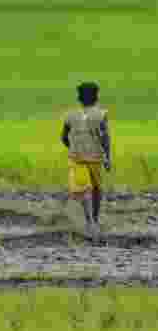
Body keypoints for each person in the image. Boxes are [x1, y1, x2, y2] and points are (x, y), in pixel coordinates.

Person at [61, 82, 111, 236]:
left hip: (77, 158)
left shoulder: (70, 116)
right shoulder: (101, 115)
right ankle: (94, 220)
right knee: (96, 189)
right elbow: (105, 139)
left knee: (83, 189)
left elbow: (63, 137)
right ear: (96, 97)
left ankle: (88, 220)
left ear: (79, 98)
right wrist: (108, 157)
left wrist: (73, 147)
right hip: (95, 158)